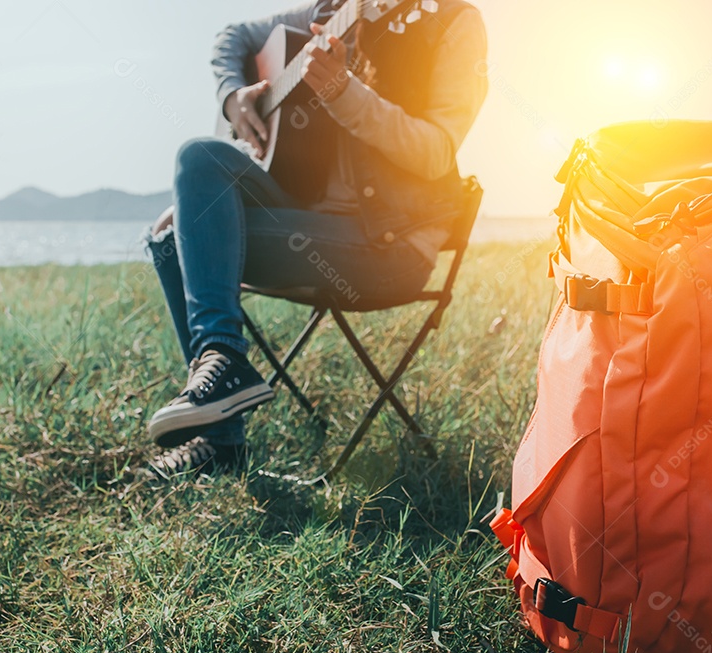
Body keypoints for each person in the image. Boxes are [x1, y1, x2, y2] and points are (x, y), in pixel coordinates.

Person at [139, 0, 488, 479]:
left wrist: (344, 93)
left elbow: (437, 152)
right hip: (309, 227)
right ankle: (222, 377)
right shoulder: (333, 10)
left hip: (388, 247)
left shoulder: (452, 22)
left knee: (182, 234)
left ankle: (219, 439)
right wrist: (233, 97)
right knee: (196, 162)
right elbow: (232, 37)